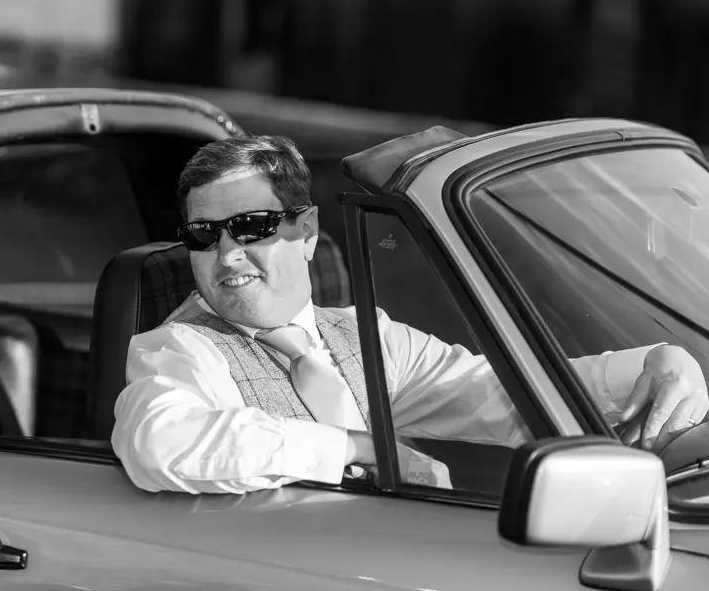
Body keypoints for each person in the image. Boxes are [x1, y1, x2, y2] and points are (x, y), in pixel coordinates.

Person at [112, 134, 709, 494]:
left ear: (308, 230)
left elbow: (495, 392)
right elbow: (159, 442)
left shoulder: (366, 335)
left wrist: (649, 366)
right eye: (203, 234)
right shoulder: (178, 349)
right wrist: (361, 449)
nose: (227, 252)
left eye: (250, 226)